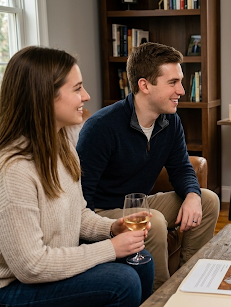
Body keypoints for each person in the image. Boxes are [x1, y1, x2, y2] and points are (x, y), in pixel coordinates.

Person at [0, 46, 154, 306]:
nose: (86, 96)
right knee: (123, 281)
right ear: (44, 95)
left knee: (141, 263)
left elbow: (77, 214)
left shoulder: (61, 147)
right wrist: (110, 248)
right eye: (77, 88)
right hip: (13, 288)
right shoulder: (13, 169)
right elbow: (31, 266)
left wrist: (112, 228)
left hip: (50, 271)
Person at [77, 42, 220, 290]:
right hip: (102, 211)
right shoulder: (102, 127)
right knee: (151, 221)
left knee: (207, 200)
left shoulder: (170, 121)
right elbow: (81, 197)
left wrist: (192, 195)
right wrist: (101, 235)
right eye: (173, 82)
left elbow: (182, 168)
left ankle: (189, 282)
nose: (182, 91)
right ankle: (161, 295)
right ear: (144, 85)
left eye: (181, 81)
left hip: (139, 202)